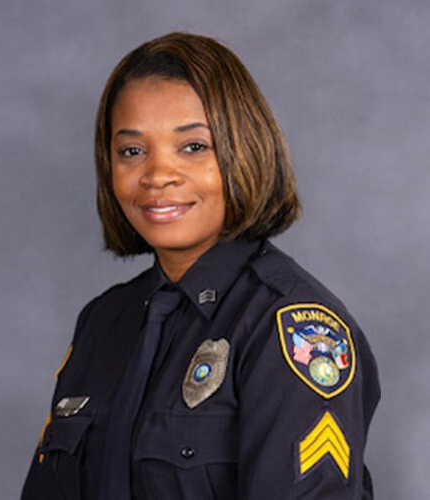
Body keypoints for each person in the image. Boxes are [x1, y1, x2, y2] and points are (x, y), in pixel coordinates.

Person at [22, 32, 380, 499]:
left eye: (193, 147)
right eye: (132, 151)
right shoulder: (102, 323)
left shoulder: (293, 332)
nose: (157, 175)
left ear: (244, 150)